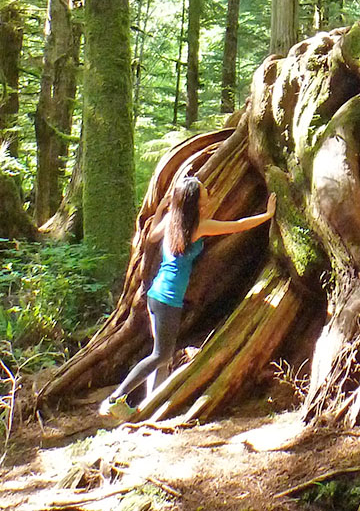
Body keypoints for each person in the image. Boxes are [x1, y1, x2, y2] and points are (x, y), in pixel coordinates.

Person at [99, 176, 276, 418]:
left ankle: (151, 405)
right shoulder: (198, 226)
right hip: (167, 300)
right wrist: (267, 215)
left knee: (163, 355)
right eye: (203, 194)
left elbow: (151, 237)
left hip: (157, 296)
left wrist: (163, 210)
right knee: (161, 355)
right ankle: (114, 399)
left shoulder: (174, 219)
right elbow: (238, 225)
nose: (207, 198)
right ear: (193, 200)